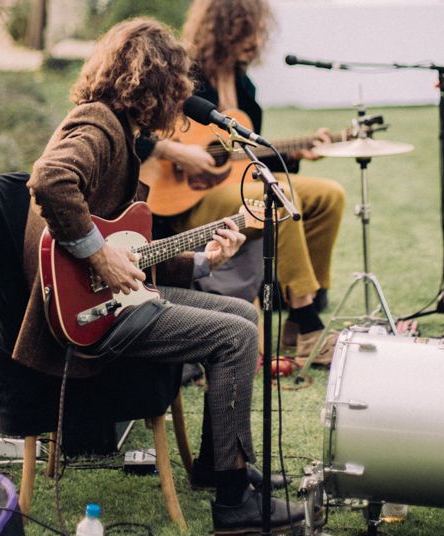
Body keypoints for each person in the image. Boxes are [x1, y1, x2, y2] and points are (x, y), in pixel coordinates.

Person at [12, 18, 305, 536]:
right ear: (154, 85)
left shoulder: (118, 131)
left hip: (110, 299)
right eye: (178, 86)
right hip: (90, 318)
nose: (183, 97)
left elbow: (132, 244)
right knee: (237, 334)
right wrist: (98, 256)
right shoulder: (97, 126)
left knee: (240, 312)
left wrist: (202, 260)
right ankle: (235, 506)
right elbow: (50, 179)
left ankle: (222, 465)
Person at [136, 0, 346, 366]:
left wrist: (294, 155)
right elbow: (138, 131)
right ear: (218, 29)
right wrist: (177, 152)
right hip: (183, 198)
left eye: (258, 30)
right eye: (244, 29)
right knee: (276, 200)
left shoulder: (244, 86)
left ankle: (300, 312)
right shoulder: (183, 74)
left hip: (230, 187)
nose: (254, 40)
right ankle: (308, 321)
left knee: (330, 195)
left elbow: (244, 163)